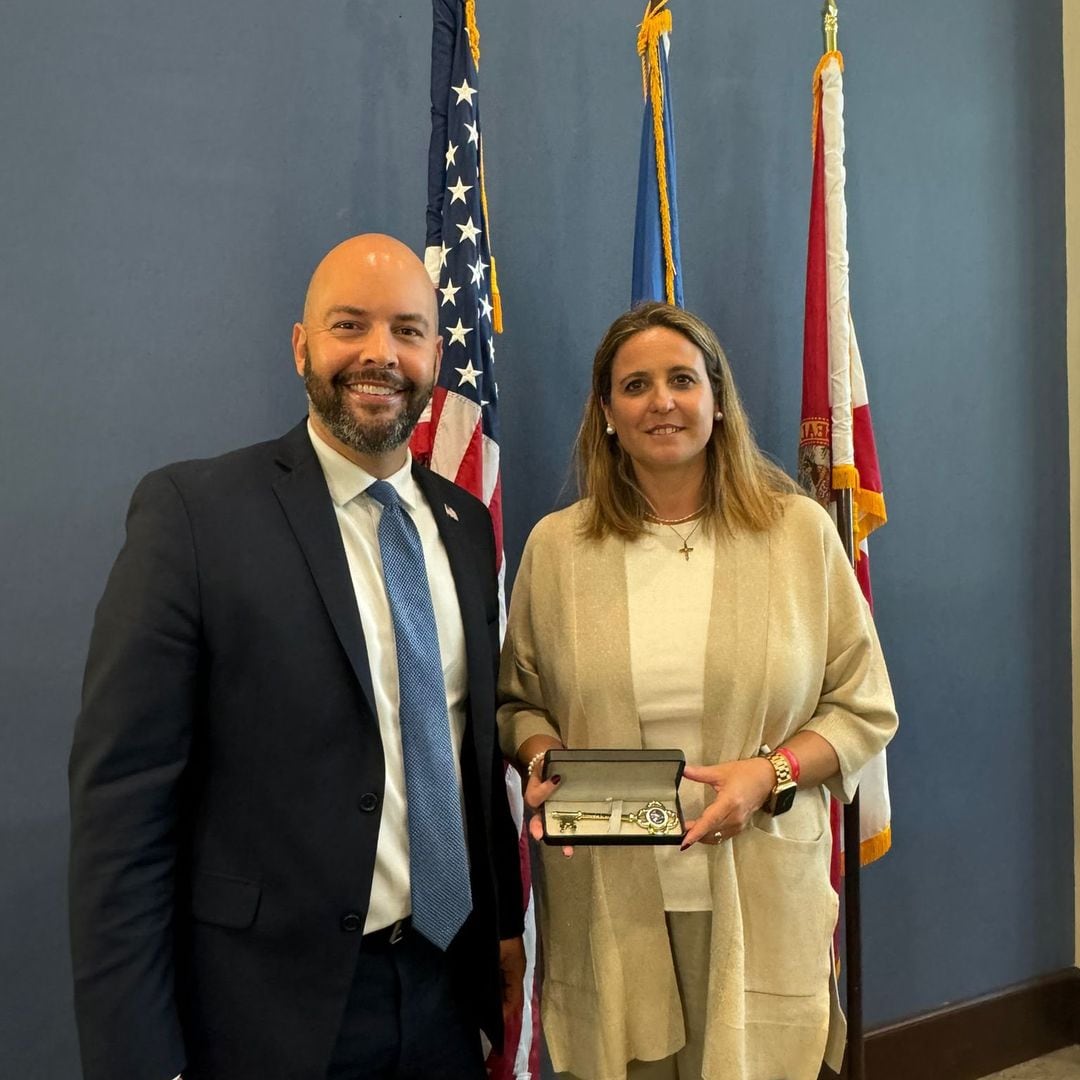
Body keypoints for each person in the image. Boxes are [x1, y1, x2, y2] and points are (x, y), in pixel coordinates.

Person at [69, 233, 525, 1080]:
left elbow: (467, 754)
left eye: (407, 331)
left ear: (435, 353)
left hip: (440, 997)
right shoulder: (196, 516)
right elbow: (121, 815)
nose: (379, 355)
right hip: (267, 1015)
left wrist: (500, 925)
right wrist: (134, 1058)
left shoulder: (465, 529)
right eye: (349, 325)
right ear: (301, 346)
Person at [498, 302, 898, 1080]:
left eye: (683, 379)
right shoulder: (558, 551)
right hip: (611, 897)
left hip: (758, 884)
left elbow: (862, 703)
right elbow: (518, 702)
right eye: (635, 385)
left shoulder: (798, 535)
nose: (662, 402)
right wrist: (543, 751)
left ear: (717, 399)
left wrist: (768, 775)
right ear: (607, 413)